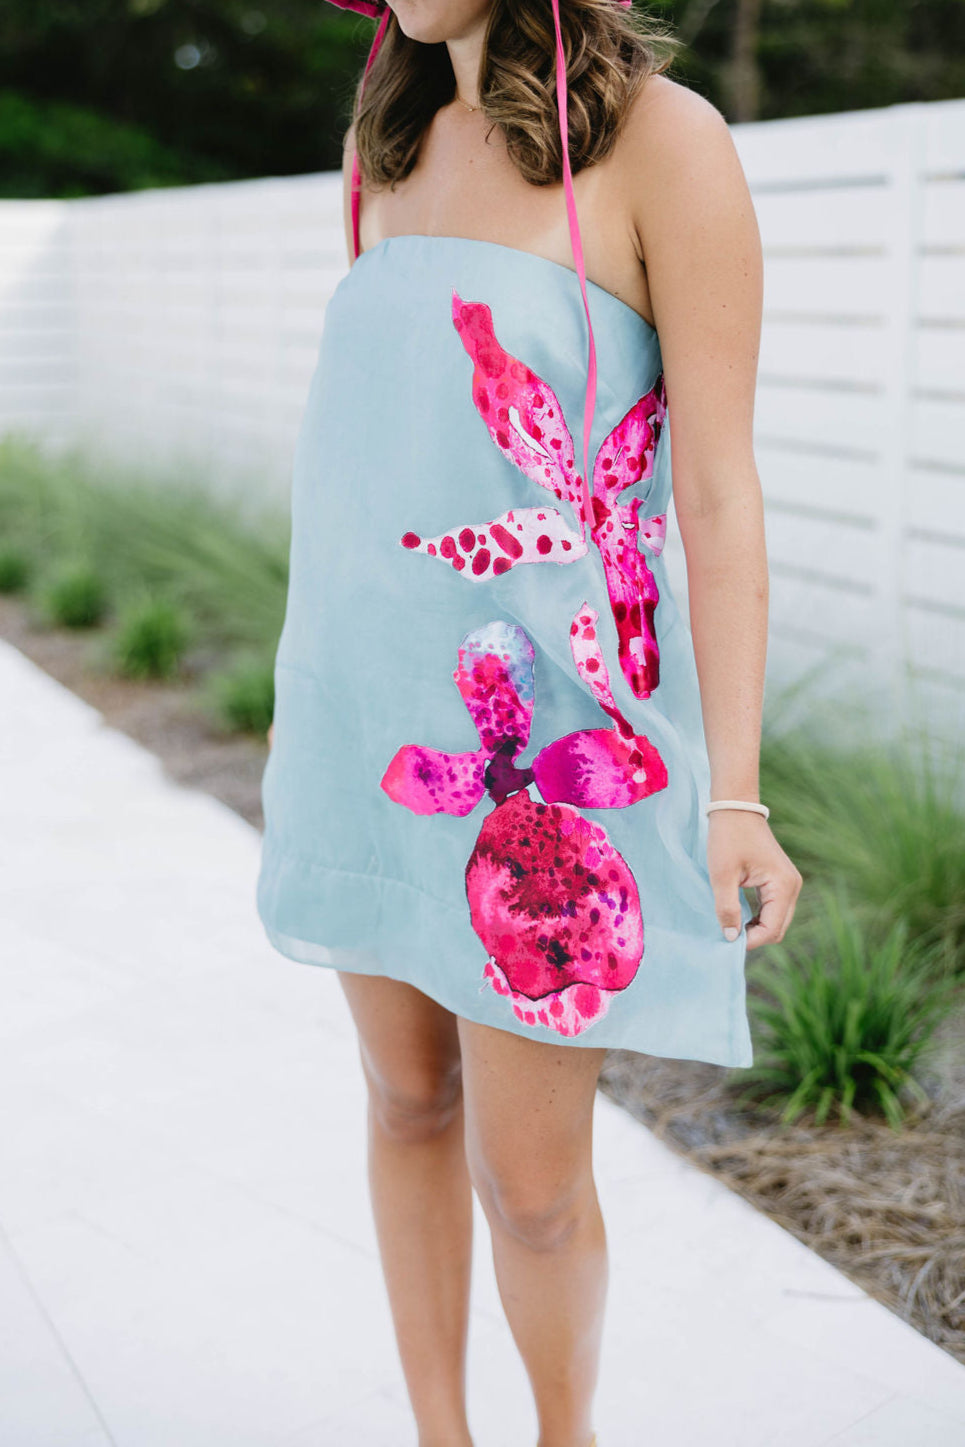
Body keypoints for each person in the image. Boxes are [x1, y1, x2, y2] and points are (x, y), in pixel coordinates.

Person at [257, 2, 803, 1444]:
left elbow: (717, 493)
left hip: (553, 759)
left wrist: (733, 793)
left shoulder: (663, 144)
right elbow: (379, 462)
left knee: (535, 1184)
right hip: (368, 725)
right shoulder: (380, 145)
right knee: (402, 1101)